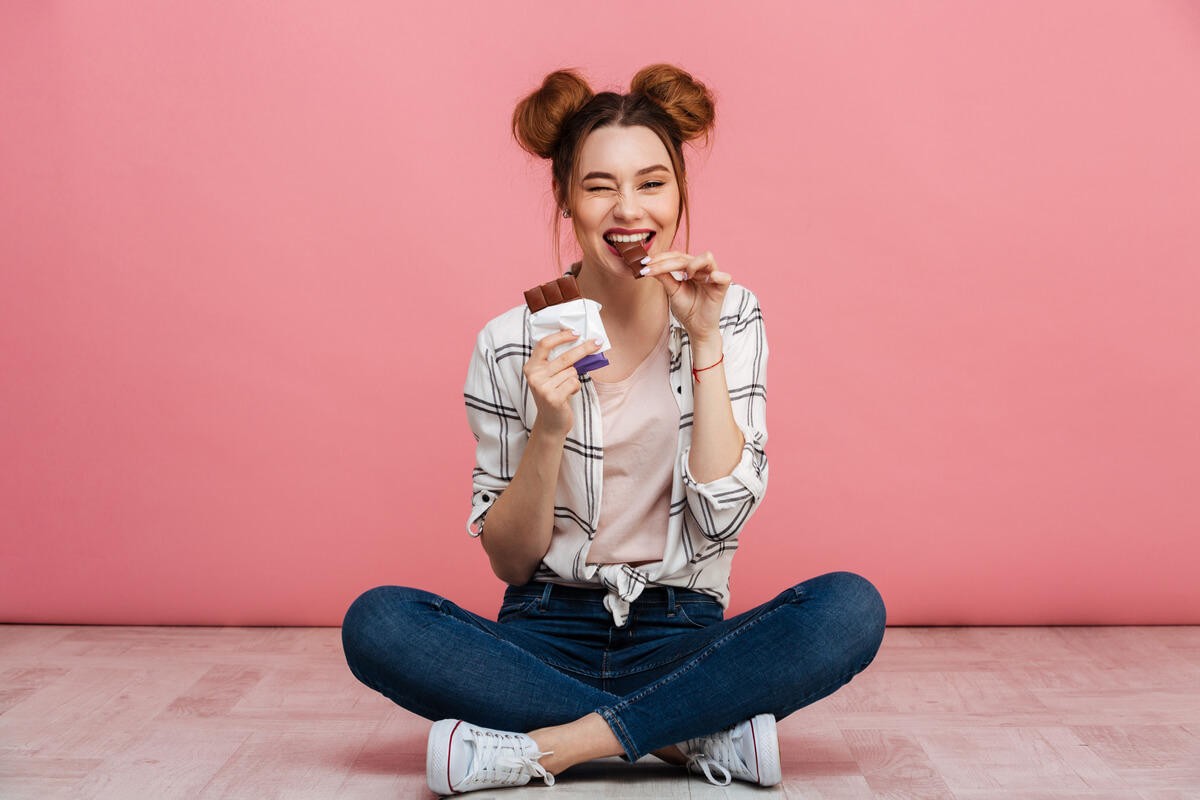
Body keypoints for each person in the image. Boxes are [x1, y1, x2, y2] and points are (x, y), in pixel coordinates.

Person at [341, 64, 886, 795]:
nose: (628, 209)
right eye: (600, 186)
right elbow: (509, 562)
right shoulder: (509, 342)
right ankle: (683, 736)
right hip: (541, 632)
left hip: (683, 630)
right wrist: (550, 425)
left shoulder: (732, 313)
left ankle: (556, 747)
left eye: (652, 183)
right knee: (377, 622)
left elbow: (723, 515)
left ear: (679, 194)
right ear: (567, 200)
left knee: (850, 606)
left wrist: (704, 344)